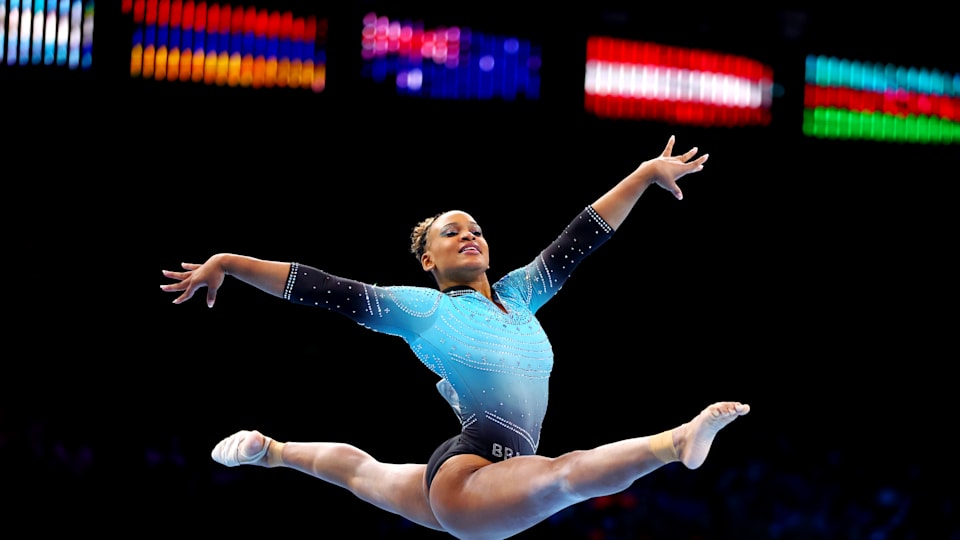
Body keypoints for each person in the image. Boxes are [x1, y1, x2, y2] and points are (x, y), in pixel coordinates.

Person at [160, 135, 750, 540]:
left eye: (476, 229)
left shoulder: (520, 293)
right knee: (566, 474)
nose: (469, 235)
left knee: (360, 472)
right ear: (427, 260)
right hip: (472, 475)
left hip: (474, 479)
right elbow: (324, 288)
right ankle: (677, 442)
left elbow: (582, 237)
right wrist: (230, 263)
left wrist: (646, 174)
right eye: (451, 233)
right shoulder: (421, 309)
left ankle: (271, 451)